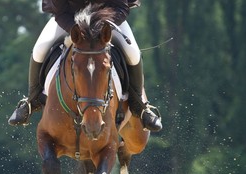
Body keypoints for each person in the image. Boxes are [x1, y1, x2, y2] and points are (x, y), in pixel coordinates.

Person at [8, 0, 162, 132]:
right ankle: (30, 101)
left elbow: (121, 7)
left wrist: (101, 27)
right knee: (40, 49)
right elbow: (60, 12)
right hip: (70, 21)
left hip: (107, 22)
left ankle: (140, 106)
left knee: (133, 52)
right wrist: (77, 30)